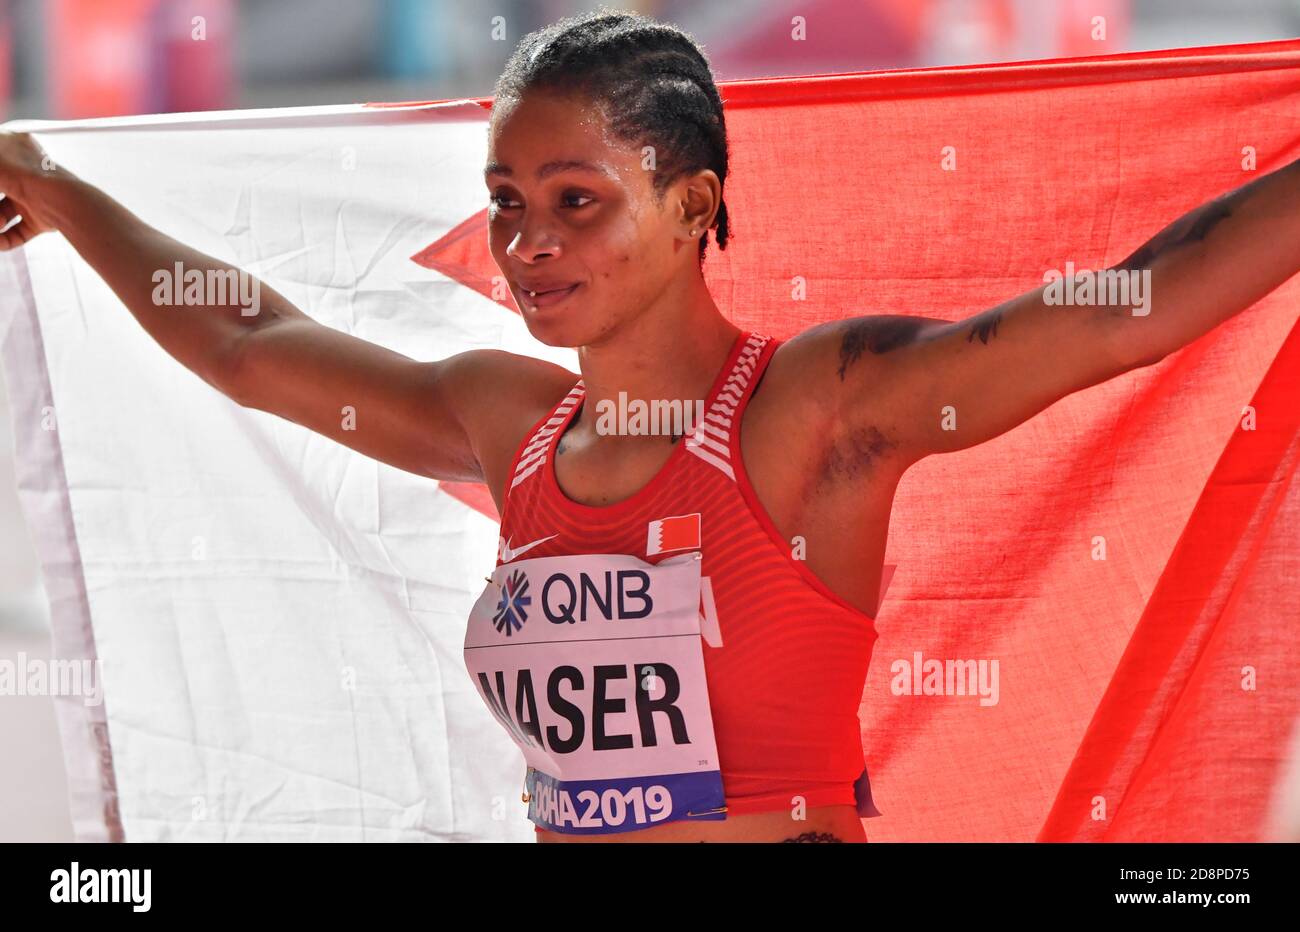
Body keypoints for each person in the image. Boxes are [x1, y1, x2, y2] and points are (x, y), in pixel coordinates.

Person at [1, 8, 1298, 844]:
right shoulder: (504, 423)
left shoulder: (810, 414)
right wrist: (54, 190)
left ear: (695, 204)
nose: (527, 244)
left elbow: (1124, 317)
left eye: (578, 200)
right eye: (507, 201)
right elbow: (247, 344)